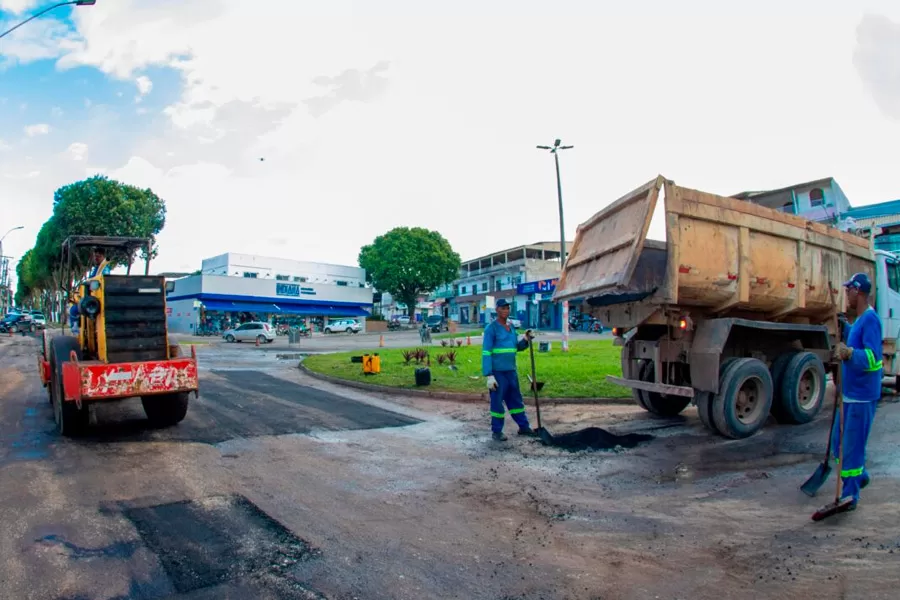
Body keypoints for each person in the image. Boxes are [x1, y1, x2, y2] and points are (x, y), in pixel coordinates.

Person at [833, 272, 882, 510]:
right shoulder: (860, 320)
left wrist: (851, 354)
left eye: (848, 291)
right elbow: (858, 338)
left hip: (862, 396)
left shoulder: (871, 320)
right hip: (850, 394)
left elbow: (874, 359)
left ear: (858, 291)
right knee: (838, 445)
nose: (846, 294)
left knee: (851, 447)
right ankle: (860, 476)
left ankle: (850, 495)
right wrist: (846, 328)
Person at [482, 298, 536, 441]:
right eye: (502, 308)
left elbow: (515, 347)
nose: (505, 310)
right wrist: (489, 375)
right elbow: (486, 353)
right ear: (497, 310)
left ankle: (523, 427)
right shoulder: (491, 328)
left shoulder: (511, 328)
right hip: (497, 373)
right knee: (497, 402)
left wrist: (526, 339)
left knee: (516, 400)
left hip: (511, 371)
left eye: (507, 308)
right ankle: (497, 431)